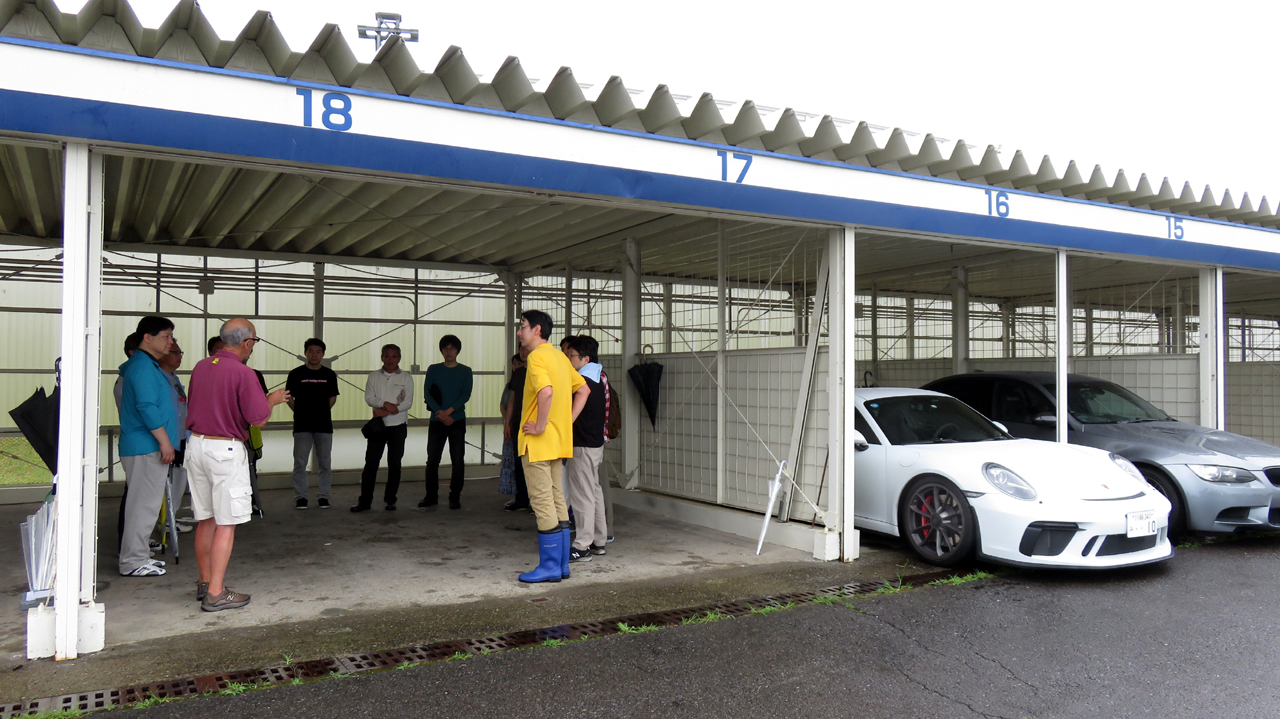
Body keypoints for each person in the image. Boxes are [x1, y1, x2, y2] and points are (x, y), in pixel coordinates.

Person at [186, 318, 288, 611]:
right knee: (226, 523)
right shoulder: (244, 373)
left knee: (206, 518)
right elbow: (258, 418)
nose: (253, 346)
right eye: (254, 341)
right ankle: (216, 593)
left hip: (197, 445)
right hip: (225, 450)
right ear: (247, 343)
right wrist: (272, 400)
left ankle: (205, 581)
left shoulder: (201, 366)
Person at [515, 310, 590, 583]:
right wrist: (564, 422)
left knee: (542, 502)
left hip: (538, 443)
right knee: (558, 499)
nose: (519, 331)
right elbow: (583, 390)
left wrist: (539, 426)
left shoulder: (536, 357)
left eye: (523, 326)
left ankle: (549, 567)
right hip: (558, 443)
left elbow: (545, 392)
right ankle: (561, 565)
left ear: (537, 330)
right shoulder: (560, 357)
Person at [117, 316, 178, 578]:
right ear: (147, 338)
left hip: (145, 445)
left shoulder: (147, 365)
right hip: (145, 446)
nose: (170, 342)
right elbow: (146, 407)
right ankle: (132, 561)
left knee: (146, 505)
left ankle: (139, 555)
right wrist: (165, 441)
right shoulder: (142, 367)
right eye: (165, 336)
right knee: (143, 505)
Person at [564, 335, 609, 562]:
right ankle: (599, 541)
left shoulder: (582, 383)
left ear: (585, 358)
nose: (568, 359)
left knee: (582, 496)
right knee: (594, 492)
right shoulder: (599, 378)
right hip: (595, 444)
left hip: (582, 445)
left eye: (571, 355)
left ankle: (582, 546)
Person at [353, 344, 413, 512]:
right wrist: (385, 404)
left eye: (394, 356)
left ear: (399, 358)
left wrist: (385, 411)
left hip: (398, 427)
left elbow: (407, 403)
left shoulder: (406, 377)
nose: (390, 360)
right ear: (382, 357)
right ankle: (365, 501)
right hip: (378, 427)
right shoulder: (374, 376)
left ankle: (390, 500)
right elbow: (369, 397)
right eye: (387, 356)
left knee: (394, 464)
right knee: (371, 464)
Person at [420, 335, 473, 510]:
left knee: (457, 459)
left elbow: (465, 395)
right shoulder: (433, 369)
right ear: (441, 350)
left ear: (458, 350)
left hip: (456, 420)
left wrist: (448, 412)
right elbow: (427, 393)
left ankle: (455, 496)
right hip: (437, 420)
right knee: (432, 460)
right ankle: (431, 495)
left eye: (452, 348)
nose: (448, 351)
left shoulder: (465, 371)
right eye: (445, 348)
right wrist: (441, 413)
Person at [286, 338, 339, 510]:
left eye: (318, 352)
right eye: (311, 351)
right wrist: (299, 412)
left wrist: (321, 412)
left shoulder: (329, 375)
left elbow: (333, 397)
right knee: (300, 463)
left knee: (325, 463)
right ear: (305, 353)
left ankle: (324, 497)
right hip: (302, 425)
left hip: (324, 425)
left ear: (323, 354)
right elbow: (288, 397)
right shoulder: (296, 374)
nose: (314, 355)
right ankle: (301, 497)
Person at [158, 340, 194, 531]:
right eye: (174, 352)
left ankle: (169, 520)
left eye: (181, 353)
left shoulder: (174, 378)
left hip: (181, 438)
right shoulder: (158, 377)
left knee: (178, 479)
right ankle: (161, 523)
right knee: (159, 485)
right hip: (166, 440)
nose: (179, 356)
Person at [500, 351, 529, 510]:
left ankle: (536, 502)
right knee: (519, 462)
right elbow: (511, 400)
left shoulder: (542, 370)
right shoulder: (518, 374)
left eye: (527, 348)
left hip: (536, 425)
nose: (524, 352)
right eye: (521, 348)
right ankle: (522, 499)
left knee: (536, 464)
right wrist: (508, 423)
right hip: (518, 423)